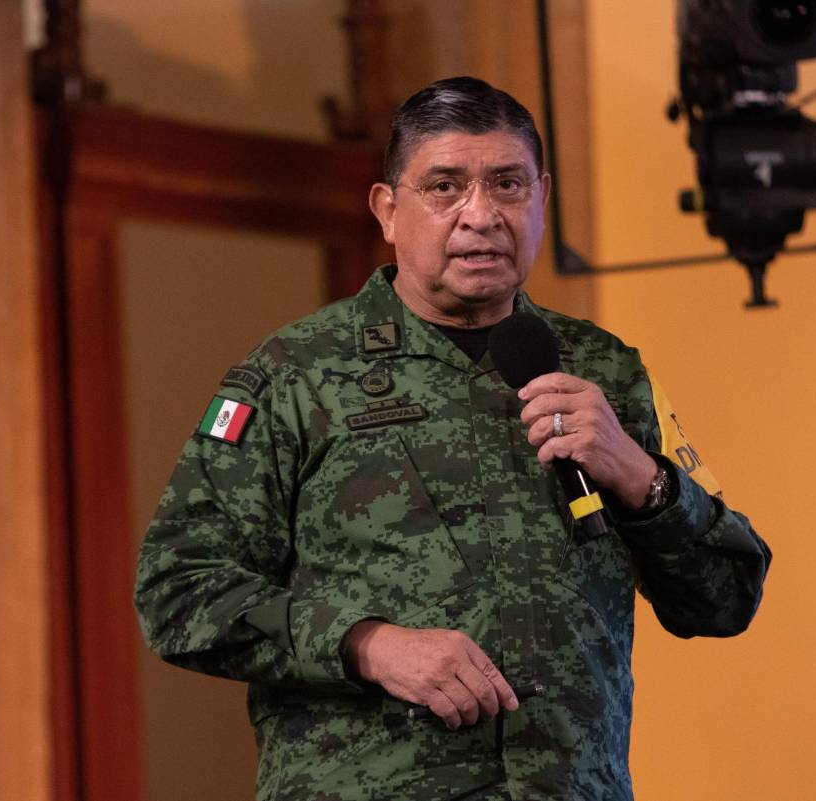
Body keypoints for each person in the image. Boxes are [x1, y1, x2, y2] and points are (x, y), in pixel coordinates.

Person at [135, 76, 771, 801]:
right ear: (387, 210)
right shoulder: (294, 375)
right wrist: (368, 644)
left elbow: (726, 599)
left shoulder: (606, 371)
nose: (482, 214)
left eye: (508, 184)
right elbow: (178, 590)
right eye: (445, 187)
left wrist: (639, 477)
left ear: (542, 198)